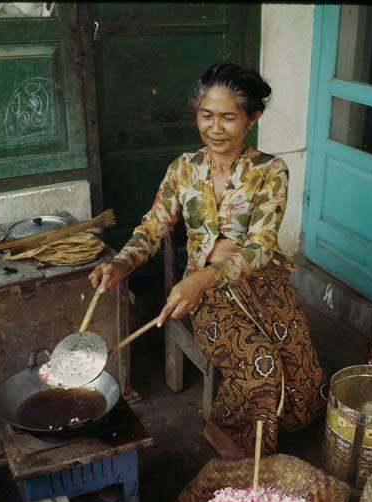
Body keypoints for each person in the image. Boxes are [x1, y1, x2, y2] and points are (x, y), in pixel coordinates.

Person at [89, 62, 327, 459]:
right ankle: (235, 445)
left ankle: (270, 421)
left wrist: (209, 272)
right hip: (207, 299)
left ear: (252, 118)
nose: (215, 128)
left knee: (302, 392)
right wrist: (121, 265)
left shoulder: (270, 171)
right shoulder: (183, 170)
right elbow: (151, 229)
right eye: (206, 116)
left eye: (228, 117)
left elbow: (261, 246)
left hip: (263, 286)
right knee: (261, 366)